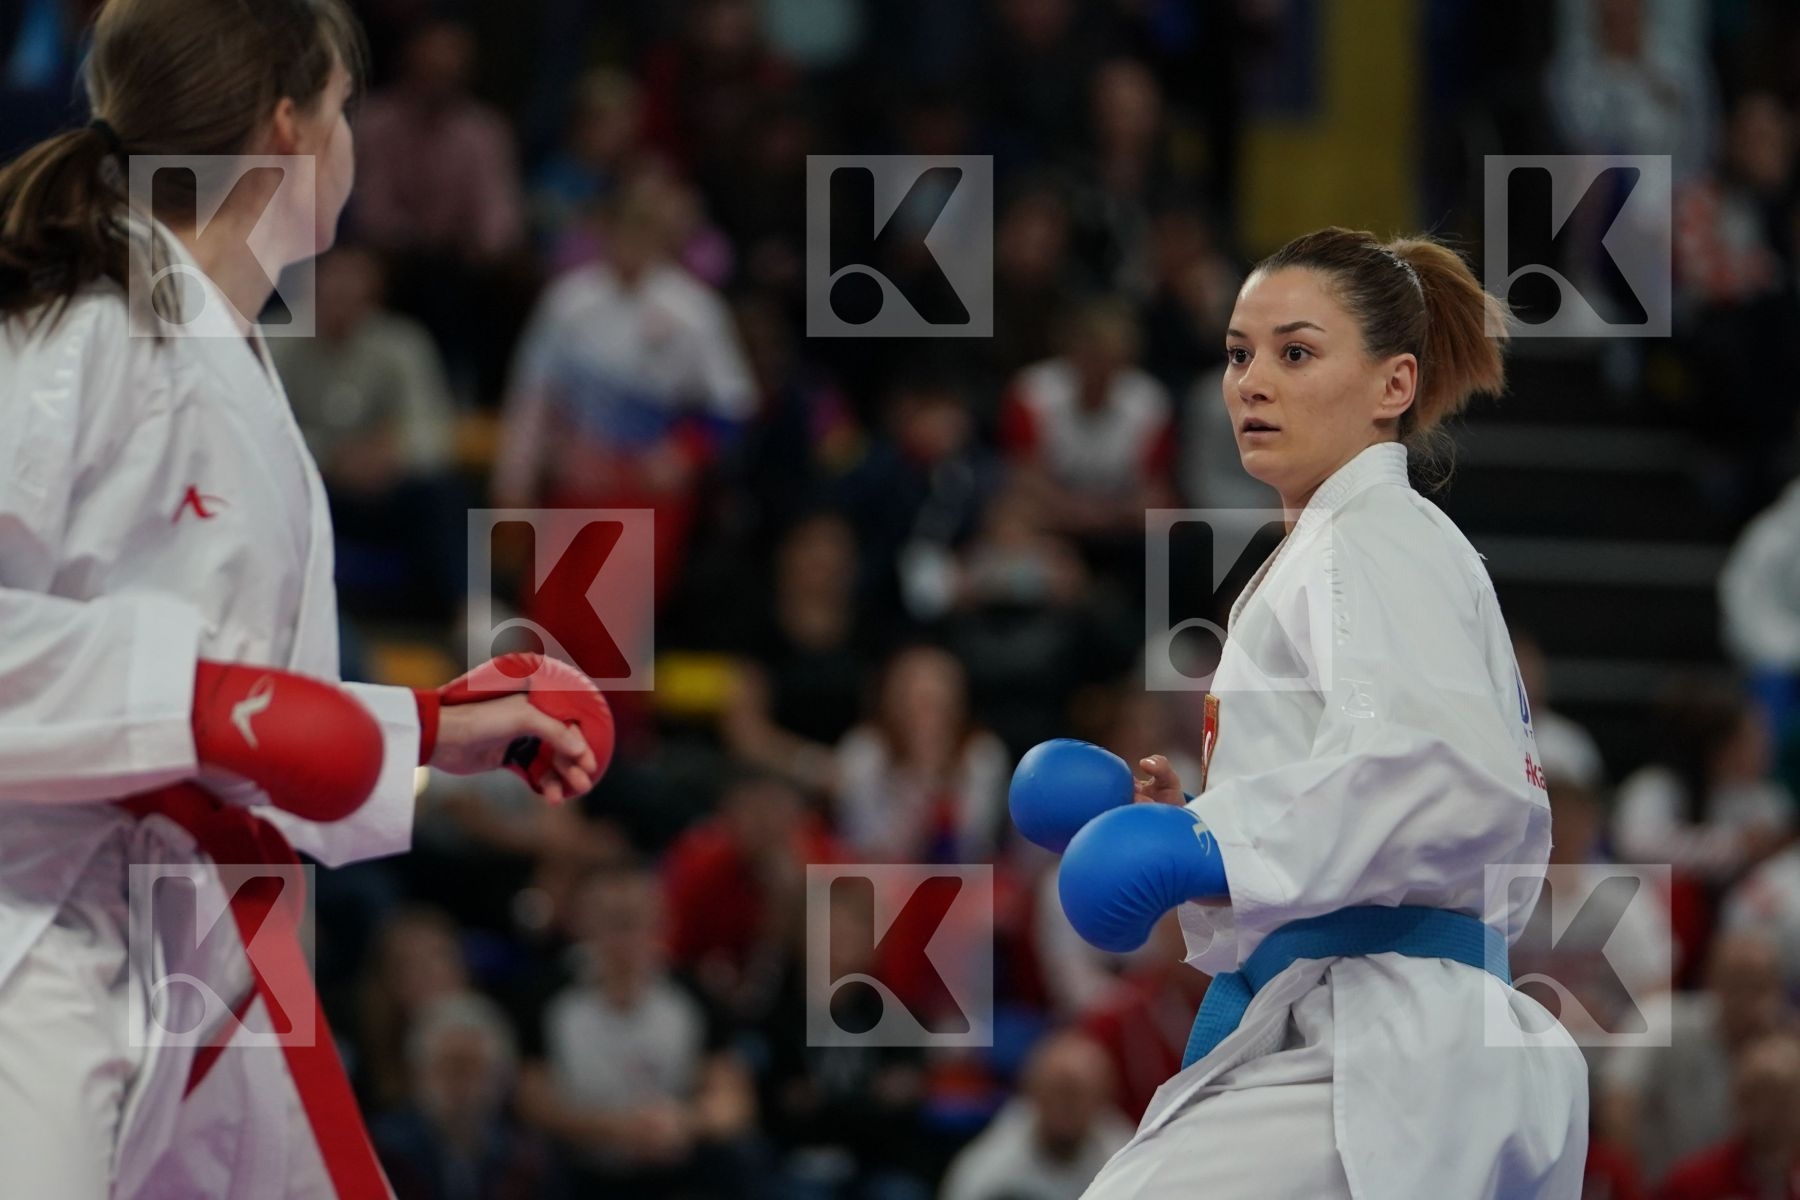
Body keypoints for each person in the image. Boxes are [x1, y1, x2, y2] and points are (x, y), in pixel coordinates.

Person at [0, 3, 603, 1196]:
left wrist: (433, 729)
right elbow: (217, 705)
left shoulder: (226, 358)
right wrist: (210, 702)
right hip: (40, 940)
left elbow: (274, 725)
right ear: (287, 128)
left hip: (205, 948)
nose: (350, 140)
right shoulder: (80, 330)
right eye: (339, 109)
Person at [1010, 227, 1588, 1196]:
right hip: (1384, 1026)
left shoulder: (1369, 538)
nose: (1251, 381)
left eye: (1296, 352)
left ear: (1392, 387)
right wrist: (1198, 831)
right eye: (1239, 353)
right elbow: (1361, 799)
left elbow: (1440, 772)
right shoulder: (1335, 547)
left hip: (1394, 1038)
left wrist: (1212, 843)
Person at [939, 1032, 1132, 1200]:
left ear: (1102, 1099)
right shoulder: (988, 1168)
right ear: (1033, 1093)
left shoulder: (1126, 1160)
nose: (1066, 1105)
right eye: (1056, 1091)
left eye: (1077, 1094)